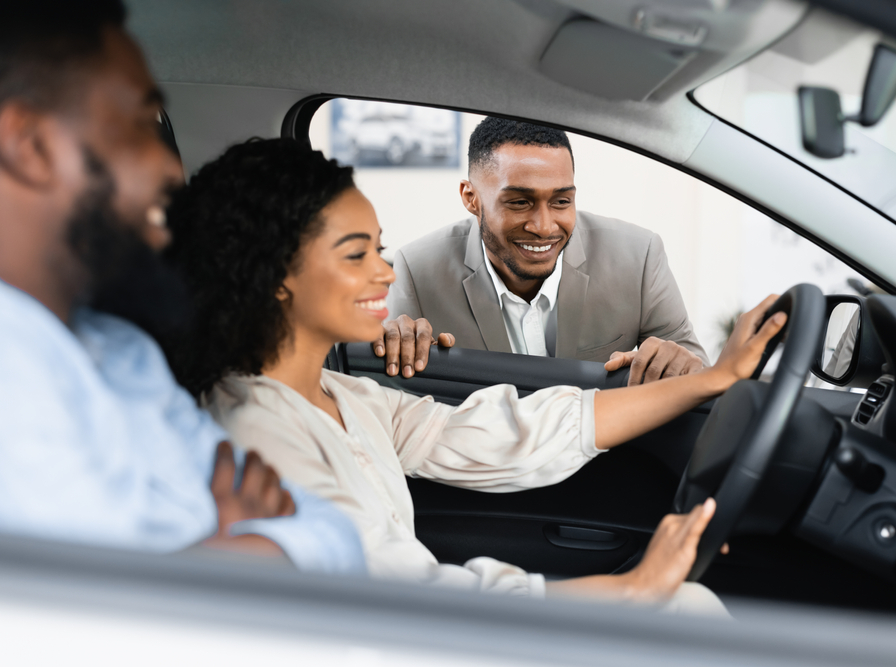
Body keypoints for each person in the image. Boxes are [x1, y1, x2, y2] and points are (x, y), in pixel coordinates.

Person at [163, 137, 786, 609]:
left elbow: (508, 433)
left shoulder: (348, 396)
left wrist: (711, 378)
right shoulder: (256, 436)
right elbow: (405, 607)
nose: (385, 273)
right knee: (684, 607)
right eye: (356, 255)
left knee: (688, 603)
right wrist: (630, 589)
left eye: (378, 249)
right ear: (273, 277)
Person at [0, 1, 364, 574]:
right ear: (31, 145)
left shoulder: (124, 354)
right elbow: (89, 626)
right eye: (138, 126)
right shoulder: (14, 370)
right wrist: (234, 554)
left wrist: (218, 559)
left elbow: (338, 540)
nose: (171, 169)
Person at [378, 117, 708, 386]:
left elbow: (698, 376)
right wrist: (393, 344)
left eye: (561, 201)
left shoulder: (638, 256)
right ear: (471, 198)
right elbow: (392, 396)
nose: (544, 226)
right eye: (520, 202)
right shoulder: (418, 270)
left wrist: (677, 366)